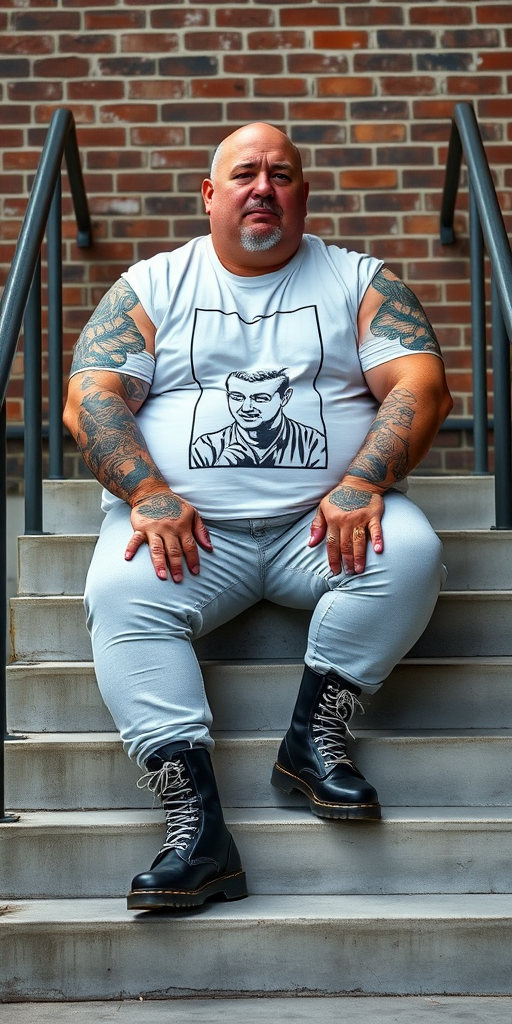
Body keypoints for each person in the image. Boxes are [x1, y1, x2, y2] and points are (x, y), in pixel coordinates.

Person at [63, 122, 453, 912]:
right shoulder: (154, 286)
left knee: (412, 552)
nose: (263, 187)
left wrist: (361, 481)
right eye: (245, 173)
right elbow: (89, 398)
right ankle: (197, 831)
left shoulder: (358, 281)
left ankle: (314, 738)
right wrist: (147, 494)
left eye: (281, 173)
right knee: (120, 594)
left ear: (303, 195)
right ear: (210, 195)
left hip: (324, 531)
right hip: (193, 539)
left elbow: (421, 383)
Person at [191, 367, 326, 467]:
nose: (246, 408)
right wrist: (219, 468)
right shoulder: (206, 447)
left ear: (285, 398)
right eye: (237, 397)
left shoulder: (313, 444)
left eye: (260, 398)